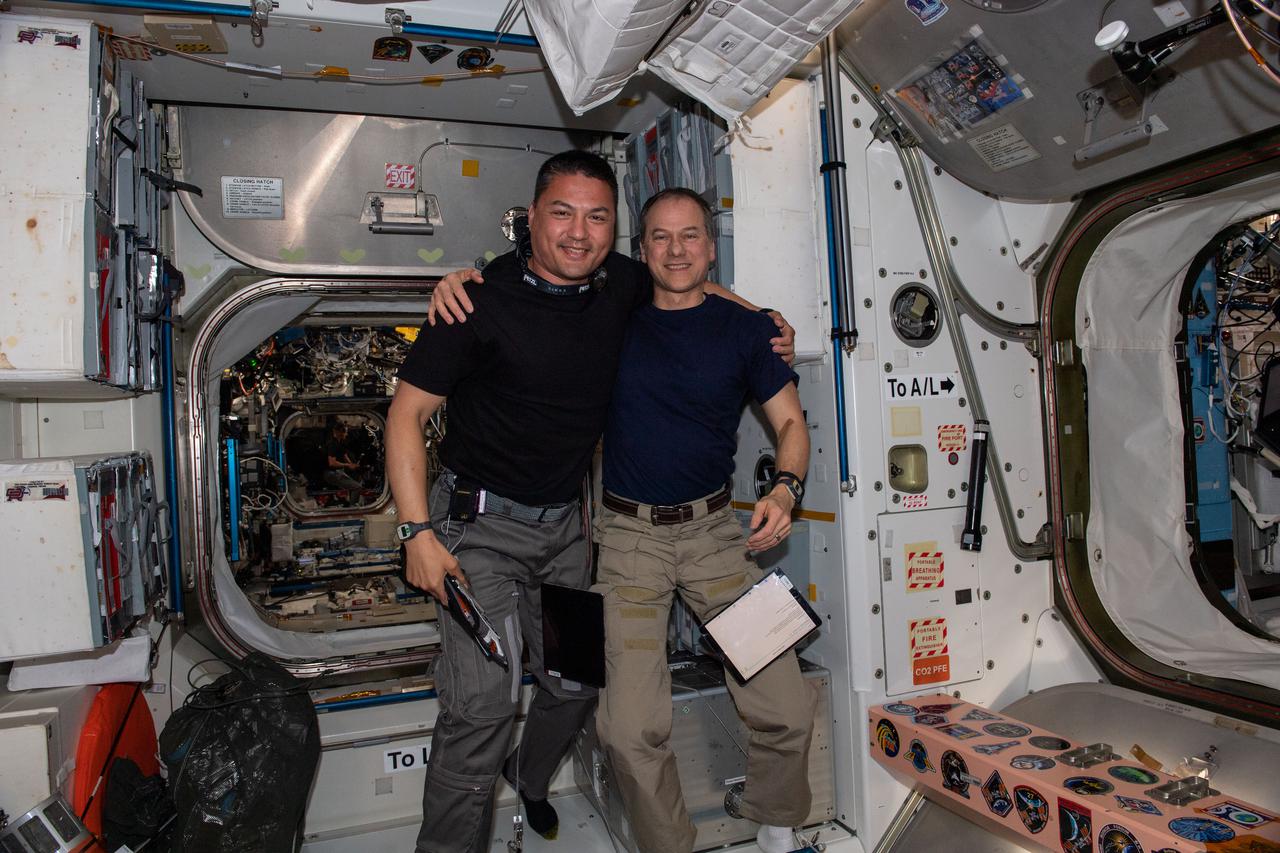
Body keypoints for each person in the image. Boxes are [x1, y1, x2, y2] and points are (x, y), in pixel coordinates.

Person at [386, 150, 792, 853]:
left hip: (567, 530)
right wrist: (416, 532)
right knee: (482, 707)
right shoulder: (474, 301)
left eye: (598, 216)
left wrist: (765, 319)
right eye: (563, 213)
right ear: (531, 218)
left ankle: (531, 774)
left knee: (575, 684)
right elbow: (405, 416)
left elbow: (691, 283)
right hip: (475, 530)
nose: (579, 231)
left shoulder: (620, 284)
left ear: (614, 230)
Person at [594, 188, 815, 853]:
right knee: (630, 730)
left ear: (710, 245)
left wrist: (785, 489)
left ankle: (774, 814)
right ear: (642, 252)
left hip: (718, 536)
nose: (676, 249)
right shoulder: (614, 319)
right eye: (660, 237)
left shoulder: (747, 331)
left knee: (787, 706)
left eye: (690, 235)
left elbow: (791, 426)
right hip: (630, 541)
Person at [322, 421, 363, 491]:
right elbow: (332, 463)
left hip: (338, 471)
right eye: (344, 432)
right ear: (338, 432)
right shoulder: (333, 445)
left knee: (357, 480)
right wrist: (347, 465)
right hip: (331, 473)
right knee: (358, 487)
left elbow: (344, 455)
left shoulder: (340, 443)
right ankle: (355, 502)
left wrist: (352, 465)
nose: (346, 434)